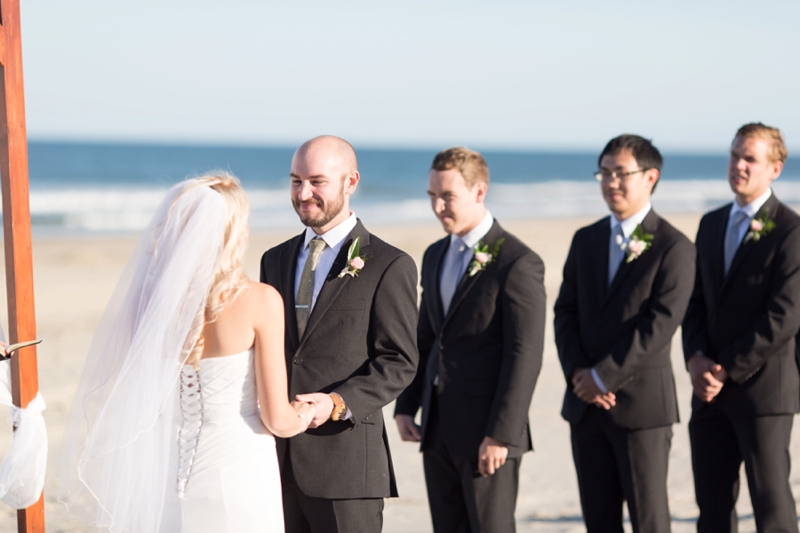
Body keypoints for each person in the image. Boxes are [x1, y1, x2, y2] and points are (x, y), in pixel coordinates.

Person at [58, 174, 314, 533]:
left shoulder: (149, 306)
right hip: (238, 469)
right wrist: (309, 410)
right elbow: (277, 419)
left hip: (164, 474)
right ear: (234, 230)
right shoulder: (260, 301)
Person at [260, 135, 419, 533]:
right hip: (275, 463)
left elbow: (399, 362)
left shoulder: (389, 264)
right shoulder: (274, 259)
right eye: (296, 181)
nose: (303, 193)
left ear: (351, 182)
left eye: (317, 181)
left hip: (347, 467)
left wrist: (333, 403)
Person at [394, 147, 546, 533]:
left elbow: (524, 354)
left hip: (488, 433)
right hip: (437, 426)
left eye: (447, 196)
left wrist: (501, 434)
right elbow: (427, 336)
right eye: (432, 196)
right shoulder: (434, 255)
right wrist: (406, 405)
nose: (437, 206)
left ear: (479, 192)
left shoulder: (517, 262)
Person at [554, 134, 695, 533]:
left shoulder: (675, 247)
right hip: (585, 405)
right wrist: (580, 374)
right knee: (599, 521)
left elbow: (660, 327)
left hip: (641, 409)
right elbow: (564, 312)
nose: (610, 182)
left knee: (649, 520)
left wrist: (604, 376)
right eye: (604, 172)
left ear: (650, 177)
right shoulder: (587, 239)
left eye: (621, 173)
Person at [682, 123, 800, 532]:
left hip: (764, 393)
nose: (739, 165)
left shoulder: (791, 230)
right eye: (735, 155)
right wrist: (696, 359)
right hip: (708, 392)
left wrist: (725, 367)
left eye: (750, 158)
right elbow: (694, 301)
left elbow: (784, 315)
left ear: (775, 169)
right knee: (712, 508)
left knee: (772, 507)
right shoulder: (711, 224)